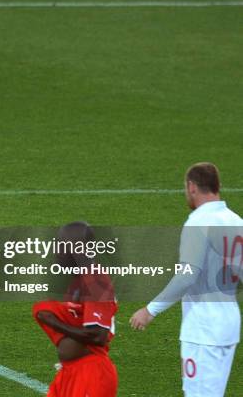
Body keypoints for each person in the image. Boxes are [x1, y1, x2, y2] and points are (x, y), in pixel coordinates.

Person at [130, 162, 242, 396]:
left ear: (192, 186)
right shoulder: (236, 222)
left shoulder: (198, 222)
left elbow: (187, 276)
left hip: (203, 329)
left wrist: (150, 310)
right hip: (228, 325)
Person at [32, 222, 118, 397]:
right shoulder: (77, 280)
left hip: (92, 373)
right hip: (69, 373)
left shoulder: (97, 281)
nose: (56, 252)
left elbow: (97, 335)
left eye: (61, 246)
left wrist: (54, 322)